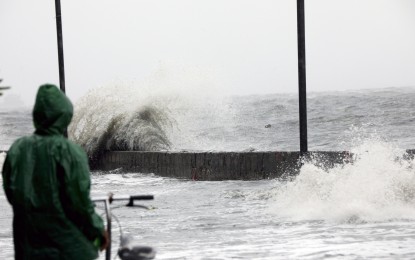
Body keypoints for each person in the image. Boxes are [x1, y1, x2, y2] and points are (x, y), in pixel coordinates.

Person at [2, 84, 108, 259]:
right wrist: (98, 229)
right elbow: (80, 202)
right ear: (65, 115)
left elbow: (12, 192)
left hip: (27, 248)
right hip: (68, 250)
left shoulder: (17, 149)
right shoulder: (69, 152)